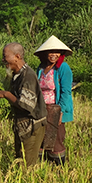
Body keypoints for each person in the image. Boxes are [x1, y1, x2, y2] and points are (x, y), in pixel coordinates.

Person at [0, 43, 47, 168]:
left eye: (5, 57)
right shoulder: (16, 75)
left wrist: (7, 94)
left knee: (27, 164)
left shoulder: (28, 76)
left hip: (32, 126)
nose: (3, 60)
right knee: (20, 159)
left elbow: (26, 105)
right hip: (22, 126)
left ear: (17, 57)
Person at [34, 35, 74, 166]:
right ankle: (41, 167)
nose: (53, 55)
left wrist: (60, 111)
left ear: (61, 53)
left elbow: (66, 91)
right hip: (42, 108)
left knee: (56, 138)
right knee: (40, 137)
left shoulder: (63, 68)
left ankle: (58, 169)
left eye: (56, 52)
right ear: (45, 54)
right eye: (50, 52)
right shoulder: (41, 68)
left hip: (56, 109)